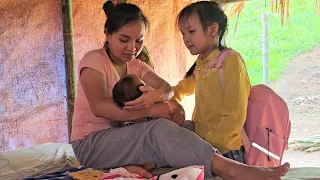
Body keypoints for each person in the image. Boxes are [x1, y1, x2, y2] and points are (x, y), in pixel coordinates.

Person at [71, 1, 290, 179]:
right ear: (107, 35)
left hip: (123, 138)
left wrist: (162, 99)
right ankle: (231, 169)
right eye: (124, 40)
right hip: (92, 143)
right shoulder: (95, 60)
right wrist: (150, 111)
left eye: (139, 41)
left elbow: (166, 88)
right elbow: (100, 107)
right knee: (158, 130)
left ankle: (135, 166)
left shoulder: (137, 65)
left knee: (188, 128)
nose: (133, 48)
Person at [169, 1, 249, 163]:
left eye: (191, 31)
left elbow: (235, 115)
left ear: (213, 29)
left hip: (226, 151)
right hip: (205, 146)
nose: (186, 39)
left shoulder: (231, 62)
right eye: (183, 33)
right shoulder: (201, 64)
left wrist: (206, 141)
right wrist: (172, 104)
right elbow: (178, 90)